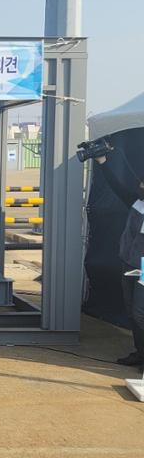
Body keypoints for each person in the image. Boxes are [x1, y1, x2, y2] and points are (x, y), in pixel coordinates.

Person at [95, 154, 144, 368]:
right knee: (131, 310)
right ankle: (140, 352)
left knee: (140, 313)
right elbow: (117, 186)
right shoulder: (137, 203)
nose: (140, 187)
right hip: (129, 262)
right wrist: (102, 162)